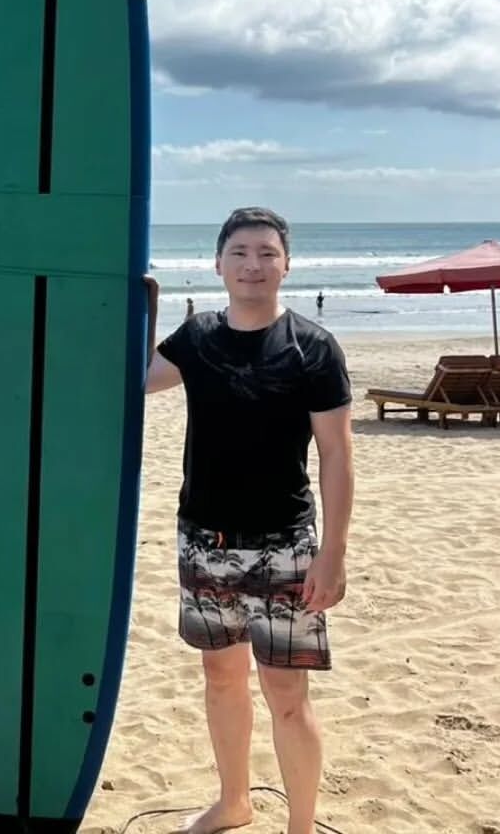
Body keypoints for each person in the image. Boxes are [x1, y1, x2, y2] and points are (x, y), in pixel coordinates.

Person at [143, 207, 353, 834]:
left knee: (287, 698)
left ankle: (302, 827)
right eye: (239, 253)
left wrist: (332, 553)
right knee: (221, 680)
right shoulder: (197, 338)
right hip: (203, 540)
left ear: (287, 265)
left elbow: (337, 456)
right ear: (218, 264)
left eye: (266, 252)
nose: (253, 265)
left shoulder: (312, 347)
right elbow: (131, 380)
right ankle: (235, 801)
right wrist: (132, 301)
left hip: (285, 546)